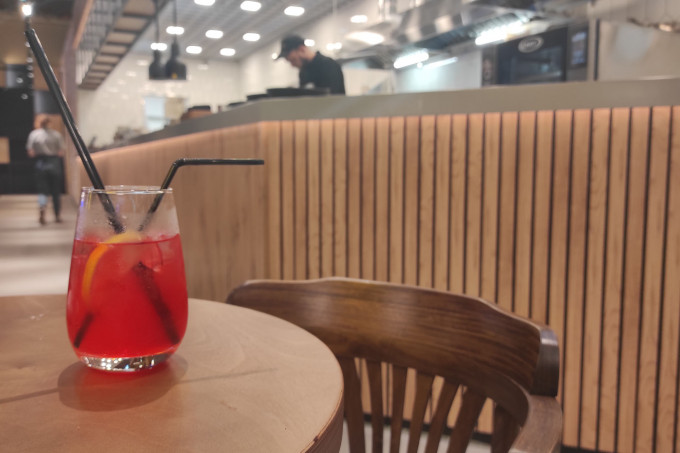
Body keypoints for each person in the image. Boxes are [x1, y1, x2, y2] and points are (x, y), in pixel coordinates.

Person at [26, 115, 65, 225]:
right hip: (54, 163)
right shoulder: (57, 135)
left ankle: (42, 207)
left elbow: (31, 152)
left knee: (42, 190)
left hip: (41, 163)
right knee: (55, 191)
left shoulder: (34, 135)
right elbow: (61, 152)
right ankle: (57, 215)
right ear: (50, 123)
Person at [277, 35, 346, 95]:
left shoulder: (329, 65)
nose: (292, 65)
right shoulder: (303, 72)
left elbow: (333, 98)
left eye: (293, 60)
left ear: (302, 49)